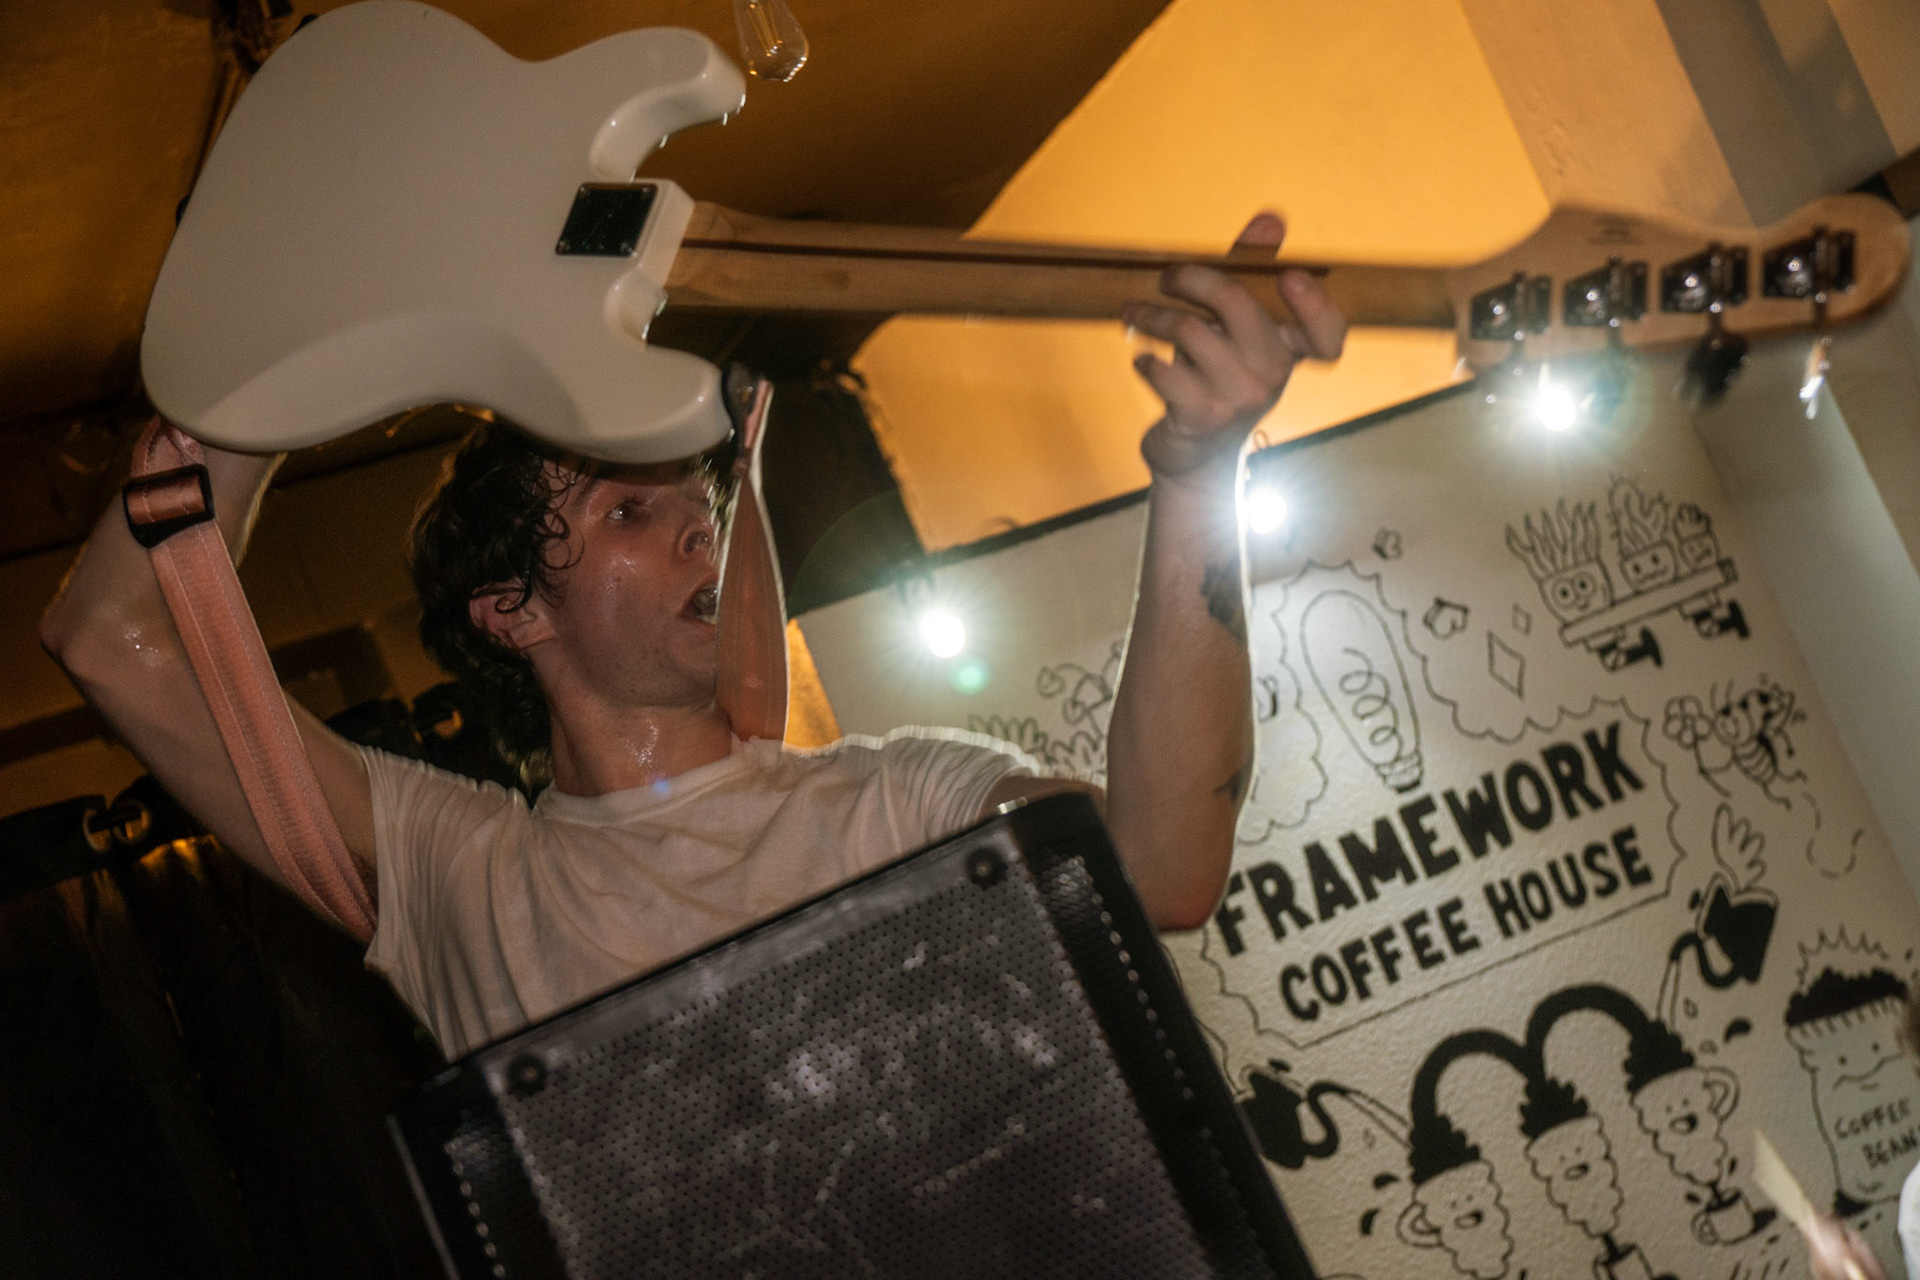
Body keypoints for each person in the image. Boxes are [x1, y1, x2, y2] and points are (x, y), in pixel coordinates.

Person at [40, 214, 1346, 1058]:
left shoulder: (897, 802)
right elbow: (111, 637)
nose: (694, 532)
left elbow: (1163, 871)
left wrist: (1200, 476)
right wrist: (297, 341)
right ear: (511, 608)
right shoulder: (459, 878)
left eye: (696, 503)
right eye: (627, 509)